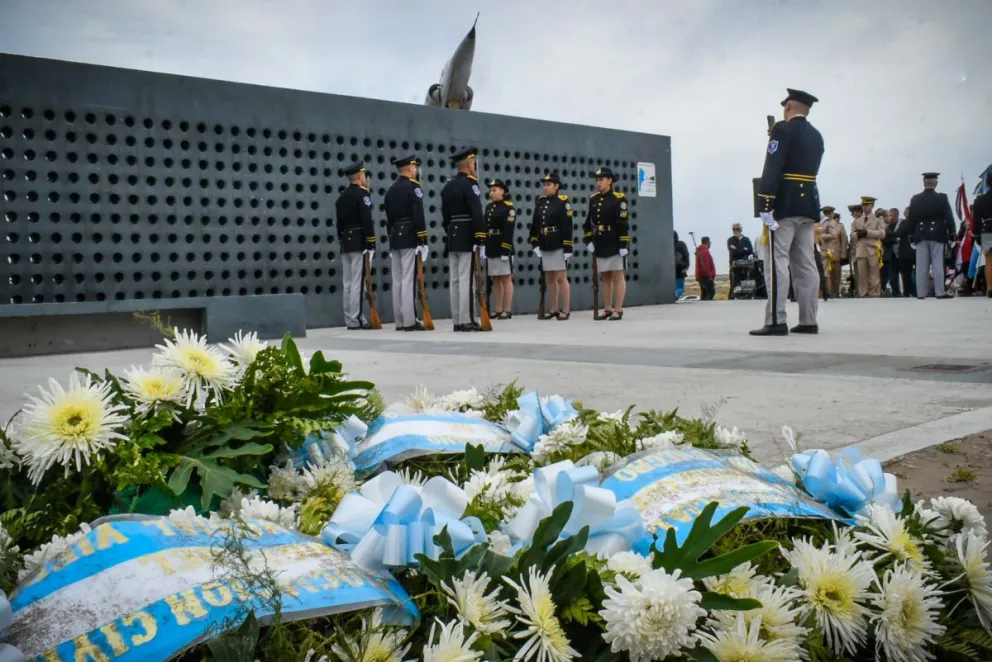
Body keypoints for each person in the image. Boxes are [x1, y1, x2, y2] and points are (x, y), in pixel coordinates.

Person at [750, 88, 824, 336]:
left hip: (783, 205)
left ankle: (775, 319)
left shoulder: (782, 130)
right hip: (808, 205)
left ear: (789, 107)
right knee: (805, 263)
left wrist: (764, 205)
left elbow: (772, 167)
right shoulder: (816, 135)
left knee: (776, 262)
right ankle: (808, 319)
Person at [441, 146, 487, 331]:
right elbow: (477, 211)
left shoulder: (448, 186)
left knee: (455, 280)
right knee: (466, 279)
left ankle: (457, 320)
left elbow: (445, 216)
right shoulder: (470, 184)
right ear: (469, 164)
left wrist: (450, 229)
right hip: (467, 233)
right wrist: (480, 237)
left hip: (452, 234)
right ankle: (467, 319)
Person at [384, 154, 428, 331]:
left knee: (398, 280)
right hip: (410, 236)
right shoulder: (413, 187)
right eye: (414, 167)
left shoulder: (391, 189)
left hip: (395, 237)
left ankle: (400, 320)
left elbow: (389, 218)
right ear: (410, 168)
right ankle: (410, 320)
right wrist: (422, 238)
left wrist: (391, 237)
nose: (416, 170)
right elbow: (418, 214)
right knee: (408, 279)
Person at [335, 160, 377, 330]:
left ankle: (349, 317)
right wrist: (371, 241)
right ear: (360, 175)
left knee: (348, 282)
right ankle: (356, 318)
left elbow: (339, 224)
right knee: (358, 282)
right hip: (359, 241)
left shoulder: (341, 197)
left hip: (345, 242)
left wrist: (342, 239)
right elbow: (366, 220)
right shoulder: (363, 194)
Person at [582, 167, 629, 319]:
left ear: (610, 180)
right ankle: (607, 308)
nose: (598, 182)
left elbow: (622, 222)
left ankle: (618, 309)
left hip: (614, 240)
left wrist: (623, 244)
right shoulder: (594, 198)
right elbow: (588, 221)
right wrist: (588, 239)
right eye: (597, 180)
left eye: (601, 179)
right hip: (600, 240)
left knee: (618, 276)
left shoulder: (618, 198)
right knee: (605, 277)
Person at [529, 172, 574, 319]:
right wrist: (534, 241)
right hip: (544, 242)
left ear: (556, 186)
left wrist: (567, 246)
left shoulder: (563, 202)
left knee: (561, 277)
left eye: (548, 185)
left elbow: (567, 226)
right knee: (549, 278)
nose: (545, 187)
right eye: (545, 185)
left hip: (557, 242)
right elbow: (535, 223)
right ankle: (553, 308)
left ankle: (565, 309)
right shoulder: (540, 202)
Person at [905, 172, 956, 299]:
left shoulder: (915, 199)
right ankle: (940, 292)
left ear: (924, 183)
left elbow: (911, 219)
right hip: (938, 233)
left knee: (921, 265)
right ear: (936, 182)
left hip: (920, 234)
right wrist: (952, 233)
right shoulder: (942, 198)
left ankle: (921, 293)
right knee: (937, 264)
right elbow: (949, 217)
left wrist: (911, 234)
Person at [484, 178, 516, 318]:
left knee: (506, 279)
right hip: (491, 245)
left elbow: (509, 230)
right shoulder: (489, 207)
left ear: (502, 191)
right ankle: (497, 308)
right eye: (490, 190)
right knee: (495, 279)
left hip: (503, 246)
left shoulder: (508, 208)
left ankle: (506, 309)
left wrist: (505, 249)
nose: (491, 193)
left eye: (494, 190)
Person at [851, 196, 885, 298]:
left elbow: (882, 233)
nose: (864, 207)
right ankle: (863, 294)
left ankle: (874, 294)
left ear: (872, 206)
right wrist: (857, 234)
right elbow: (852, 234)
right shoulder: (857, 220)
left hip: (873, 249)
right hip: (861, 249)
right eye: (863, 205)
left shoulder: (877, 220)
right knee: (862, 275)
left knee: (874, 274)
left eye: (867, 205)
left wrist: (867, 232)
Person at [819, 206, 848, 296]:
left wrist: (843, 253)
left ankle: (835, 292)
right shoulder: (821, 222)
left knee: (836, 274)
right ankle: (827, 292)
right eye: (825, 213)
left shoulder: (838, 225)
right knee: (826, 273)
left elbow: (844, 240)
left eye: (829, 213)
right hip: (823, 250)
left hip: (834, 252)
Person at [974, 171, 992, 297]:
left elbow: (976, 220)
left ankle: (990, 288)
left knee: (989, 260)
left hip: (987, 229)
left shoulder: (980, 200)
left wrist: (977, 235)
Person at [727, 223, 754, 295]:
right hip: (734, 267)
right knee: (734, 285)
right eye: (733, 229)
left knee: (745, 284)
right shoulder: (730, 240)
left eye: (737, 229)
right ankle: (733, 298)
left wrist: (738, 249)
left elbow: (750, 250)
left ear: (741, 230)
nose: (735, 231)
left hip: (745, 266)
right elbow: (733, 252)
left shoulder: (746, 239)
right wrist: (744, 250)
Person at [882, 208, 902, 297]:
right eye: (888, 215)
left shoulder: (900, 224)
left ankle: (901, 292)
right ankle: (895, 293)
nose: (889, 217)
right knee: (892, 276)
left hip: (900, 253)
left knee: (901, 275)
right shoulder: (887, 225)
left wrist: (889, 233)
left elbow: (899, 234)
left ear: (896, 215)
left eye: (891, 215)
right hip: (890, 254)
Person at [674, 231, 690, 299]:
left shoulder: (666, 243)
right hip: (680, 269)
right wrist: (687, 266)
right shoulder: (681, 244)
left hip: (668, 269)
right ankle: (674, 296)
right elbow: (686, 255)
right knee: (680, 287)